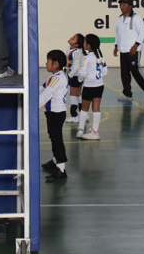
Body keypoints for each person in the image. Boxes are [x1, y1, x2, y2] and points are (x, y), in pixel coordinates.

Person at [114, 0, 144, 102]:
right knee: (124, 72)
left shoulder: (136, 18)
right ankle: (127, 94)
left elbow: (142, 33)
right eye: (121, 5)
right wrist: (116, 46)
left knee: (135, 70)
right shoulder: (119, 18)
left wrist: (135, 45)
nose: (122, 7)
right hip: (123, 49)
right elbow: (117, 33)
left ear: (130, 6)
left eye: (124, 5)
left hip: (133, 50)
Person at [39, 49, 69, 181]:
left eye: (48, 61)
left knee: (57, 140)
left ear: (55, 64)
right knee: (53, 136)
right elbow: (42, 87)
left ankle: (61, 170)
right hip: (52, 113)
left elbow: (47, 94)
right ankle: (55, 160)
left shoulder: (57, 79)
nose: (46, 64)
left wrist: (32, 104)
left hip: (56, 113)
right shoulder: (54, 77)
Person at [76, 34, 107, 140]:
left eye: (85, 42)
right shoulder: (101, 57)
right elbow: (105, 71)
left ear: (88, 45)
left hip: (89, 86)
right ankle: (95, 131)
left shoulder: (86, 58)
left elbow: (82, 72)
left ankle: (80, 130)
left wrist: (80, 79)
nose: (83, 44)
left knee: (84, 109)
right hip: (99, 85)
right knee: (96, 109)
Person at [65, 33, 84, 123]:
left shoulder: (76, 52)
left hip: (75, 76)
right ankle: (83, 114)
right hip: (73, 75)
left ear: (76, 44)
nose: (70, 38)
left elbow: (76, 67)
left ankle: (74, 115)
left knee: (73, 95)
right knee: (78, 95)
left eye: (73, 38)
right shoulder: (69, 48)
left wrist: (69, 75)